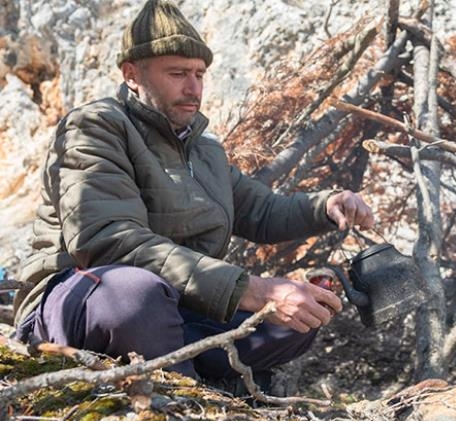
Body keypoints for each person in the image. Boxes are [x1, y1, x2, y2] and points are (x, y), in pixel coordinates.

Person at [13, 0, 374, 393]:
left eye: (200, 74)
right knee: (135, 294)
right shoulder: (96, 128)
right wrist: (251, 289)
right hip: (79, 302)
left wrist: (326, 205)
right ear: (132, 74)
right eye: (178, 73)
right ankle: (184, 394)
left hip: (174, 310)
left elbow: (263, 210)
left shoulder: (204, 151)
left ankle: (198, 374)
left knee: (296, 315)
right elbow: (107, 241)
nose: (194, 88)